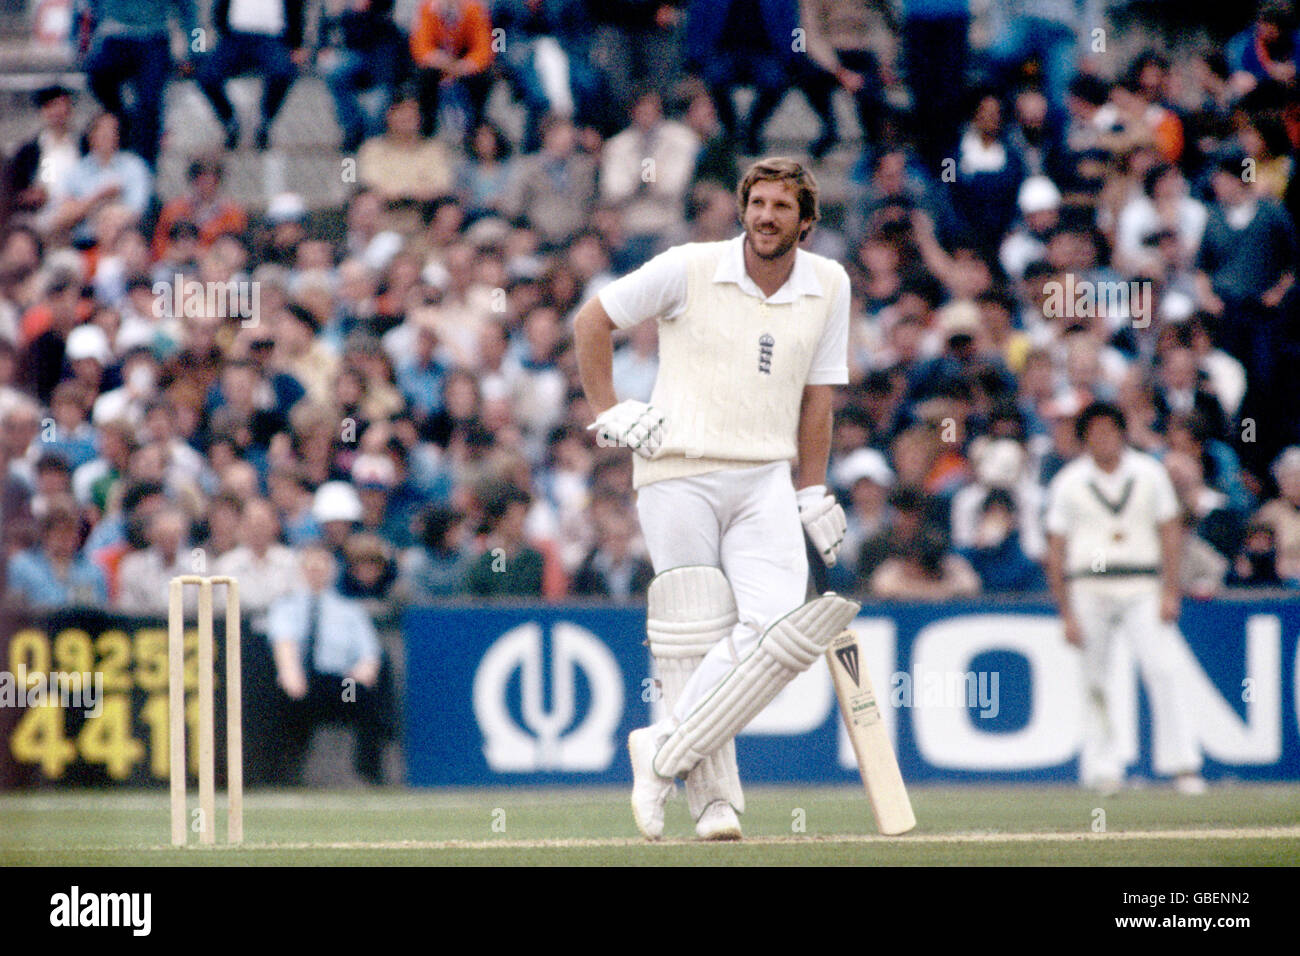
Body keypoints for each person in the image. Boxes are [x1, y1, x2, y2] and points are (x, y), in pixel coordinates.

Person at [573, 157, 858, 841]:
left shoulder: (830, 284)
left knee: (775, 635)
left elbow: (819, 397)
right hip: (677, 472)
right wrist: (609, 408)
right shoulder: (690, 266)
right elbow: (591, 320)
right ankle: (715, 804)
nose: (765, 216)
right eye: (757, 203)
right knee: (691, 642)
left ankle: (663, 747)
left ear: (807, 222)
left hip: (764, 474)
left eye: (781, 207)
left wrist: (811, 486)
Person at [1044, 401, 1206, 796]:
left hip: (1142, 584)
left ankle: (1183, 765)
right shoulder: (1068, 481)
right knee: (1095, 678)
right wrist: (1065, 612)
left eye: (1110, 430)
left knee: (1163, 668)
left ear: (1122, 432)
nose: (1104, 439)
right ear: (1085, 439)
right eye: (1095, 432)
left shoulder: (1149, 473)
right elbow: (1056, 549)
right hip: (1089, 585)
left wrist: (1171, 590)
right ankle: (1104, 768)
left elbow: (1170, 531)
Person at [267, 542, 389, 785]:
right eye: (311, 568)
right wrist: (291, 673)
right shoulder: (286, 606)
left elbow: (369, 654)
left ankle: (367, 774)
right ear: (302, 570)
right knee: (283, 697)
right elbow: (283, 643)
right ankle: (285, 774)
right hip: (303, 683)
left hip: (340, 684)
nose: (316, 573)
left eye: (321, 568)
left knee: (364, 696)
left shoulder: (349, 609)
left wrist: (361, 674)